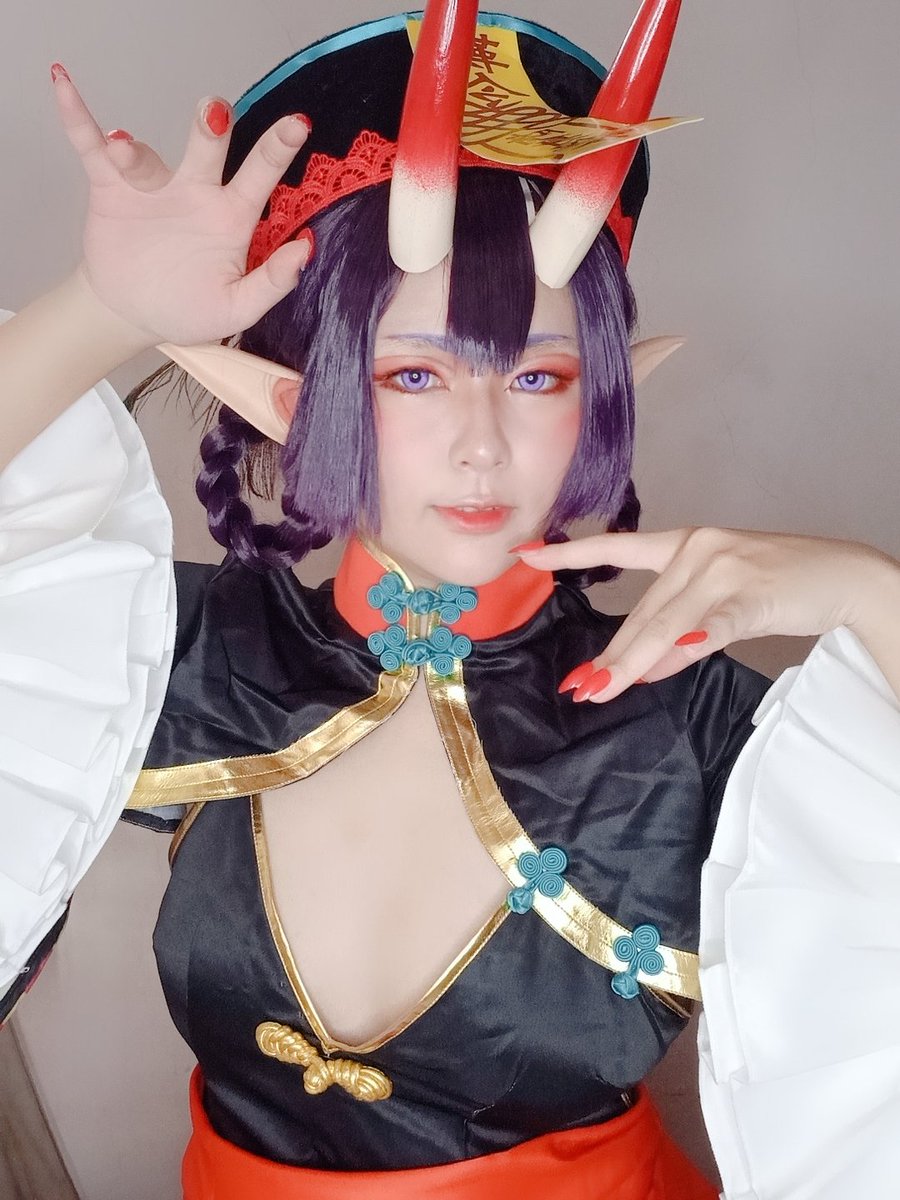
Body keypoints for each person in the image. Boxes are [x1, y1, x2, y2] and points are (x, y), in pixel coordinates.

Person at [1, 3, 898, 1198]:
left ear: (604, 395)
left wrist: (875, 595)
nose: (483, 443)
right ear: (294, 396)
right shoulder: (198, 658)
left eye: (537, 375)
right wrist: (99, 313)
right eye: (414, 373)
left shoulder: (698, 728)